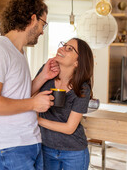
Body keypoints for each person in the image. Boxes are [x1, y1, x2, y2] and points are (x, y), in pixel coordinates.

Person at [0, 0, 59, 170]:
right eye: (42, 24)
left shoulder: (19, 52)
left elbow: (18, 95)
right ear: (32, 18)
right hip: (7, 146)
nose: (42, 31)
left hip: (26, 142)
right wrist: (33, 104)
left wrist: (43, 77)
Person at [37, 38, 94, 170]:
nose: (62, 48)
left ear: (77, 62)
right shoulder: (46, 73)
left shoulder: (82, 88)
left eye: (69, 49)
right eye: (64, 45)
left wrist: (38, 120)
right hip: (46, 148)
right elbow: (29, 95)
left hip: (74, 152)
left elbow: (70, 128)